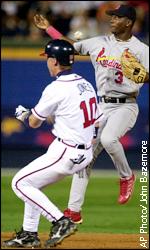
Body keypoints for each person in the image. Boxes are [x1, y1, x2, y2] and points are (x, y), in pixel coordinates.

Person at [33, 4, 149, 224]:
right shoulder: (99, 42)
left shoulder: (142, 50)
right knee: (85, 158)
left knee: (108, 138)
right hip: (101, 105)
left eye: (117, 17)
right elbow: (69, 47)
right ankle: (74, 211)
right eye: (111, 17)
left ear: (129, 22)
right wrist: (49, 28)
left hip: (126, 105)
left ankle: (127, 176)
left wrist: (144, 76)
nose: (112, 20)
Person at [2, 39, 102, 248]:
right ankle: (29, 234)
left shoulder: (56, 88)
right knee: (32, 184)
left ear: (55, 60)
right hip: (83, 151)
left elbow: (34, 122)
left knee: (19, 183)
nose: (46, 61)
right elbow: (97, 120)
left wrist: (24, 115)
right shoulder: (85, 83)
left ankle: (60, 221)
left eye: (48, 58)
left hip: (67, 151)